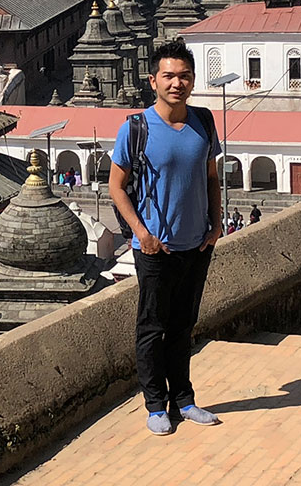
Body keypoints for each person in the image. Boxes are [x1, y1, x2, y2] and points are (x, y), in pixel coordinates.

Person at [109, 40, 222, 437]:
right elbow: (117, 187)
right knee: (152, 327)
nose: (177, 83)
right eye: (169, 76)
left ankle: (185, 400)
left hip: (197, 243)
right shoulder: (136, 128)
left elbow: (211, 177)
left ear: (193, 80)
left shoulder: (204, 121)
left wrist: (216, 223)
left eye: (184, 76)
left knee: (183, 325)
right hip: (156, 247)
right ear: (153, 80)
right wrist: (143, 234)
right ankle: (155, 404)